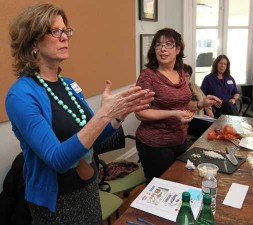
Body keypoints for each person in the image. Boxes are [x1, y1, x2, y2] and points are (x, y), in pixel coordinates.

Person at [5, 3, 154, 224]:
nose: (64, 37)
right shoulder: (21, 95)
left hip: (88, 188)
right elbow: (57, 159)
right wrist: (103, 114)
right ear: (33, 41)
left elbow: (90, 139)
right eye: (55, 31)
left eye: (66, 30)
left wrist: (117, 116)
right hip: (57, 202)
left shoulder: (69, 85)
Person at [134, 28, 221, 184]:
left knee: (180, 183)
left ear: (178, 49)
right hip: (155, 144)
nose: (163, 49)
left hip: (180, 140)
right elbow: (140, 113)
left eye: (168, 44)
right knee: (161, 189)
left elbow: (182, 103)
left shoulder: (180, 73)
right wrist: (174, 114)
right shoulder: (148, 76)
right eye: (158, 44)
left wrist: (201, 103)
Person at [183, 64, 214, 139]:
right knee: (205, 127)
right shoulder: (177, 89)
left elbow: (204, 98)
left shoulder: (194, 86)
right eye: (182, 75)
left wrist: (208, 110)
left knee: (213, 124)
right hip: (188, 120)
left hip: (201, 116)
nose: (185, 78)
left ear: (189, 77)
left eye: (187, 76)